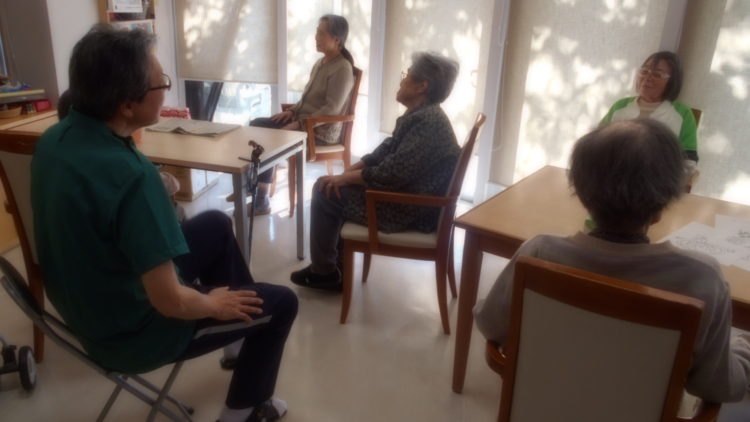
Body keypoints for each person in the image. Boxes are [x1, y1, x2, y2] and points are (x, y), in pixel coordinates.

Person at [32, 25, 297, 422]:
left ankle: (236, 344)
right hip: (133, 335)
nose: (166, 92)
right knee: (282, 302)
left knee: (214, 224)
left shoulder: (55, 139)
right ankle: (242, 413)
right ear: (127, 105)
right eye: (162, 84)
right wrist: (212, 304)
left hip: (89, 307)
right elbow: (170, 301)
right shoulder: (133, 176)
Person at [474, 119, 750, 404]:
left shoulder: (539, 252)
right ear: (661, 207)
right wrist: (743, 351)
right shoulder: (701, 279)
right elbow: (718, 386)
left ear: (582, 195)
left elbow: (491, 324)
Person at [290, 51, 460, 291]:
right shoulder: (422, 115)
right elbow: (387, 148)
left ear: (422, 86)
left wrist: (345, 178)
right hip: (409, 199)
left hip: (409, 209)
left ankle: (324, 272)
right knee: (336, 183)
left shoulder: (428, 123)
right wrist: (349, 173)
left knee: (324, 190)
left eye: (407, 75)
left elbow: (392, 174)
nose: (402, 80)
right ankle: (336, 267)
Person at [238, 14, 356, 215]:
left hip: (320, 131)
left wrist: (299, 124)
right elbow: (306, 98)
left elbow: (332, 109)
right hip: (304, 122)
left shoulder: (342, 68)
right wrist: (292, 111)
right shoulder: (321, 63)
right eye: (317, 32)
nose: (316, 37)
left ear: (337, 40)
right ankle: (252, 186)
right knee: (256, 125)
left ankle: (261, 198)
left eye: (321, 33)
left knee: (269, 136)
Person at [600, 51, 699, 166]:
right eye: (644, 71)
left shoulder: (683, 113)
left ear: (672, 81)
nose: (647, 78)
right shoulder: (620, 106)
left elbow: (689, 158)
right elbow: (599, 139)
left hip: (657, 174)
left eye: (657, 74)